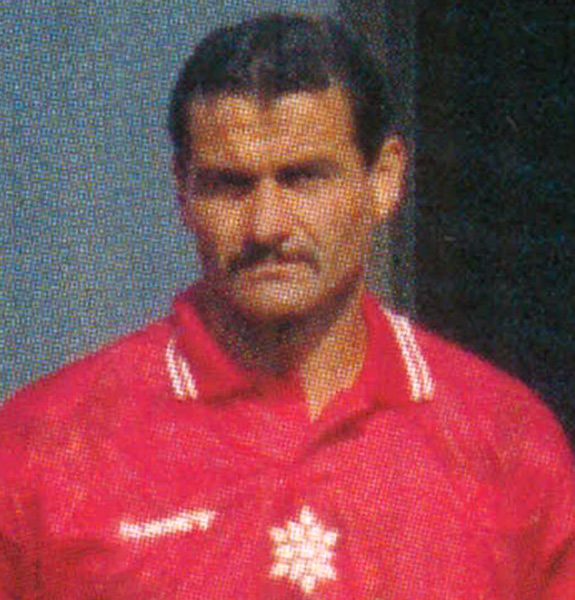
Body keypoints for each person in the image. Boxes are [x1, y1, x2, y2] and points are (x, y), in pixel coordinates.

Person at [0, 13, 573, 599]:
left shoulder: (506, 443)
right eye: (231, 185)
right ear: (182, 191)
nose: (267, 225)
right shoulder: (46, 448)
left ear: (384, 178)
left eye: (303, 179)